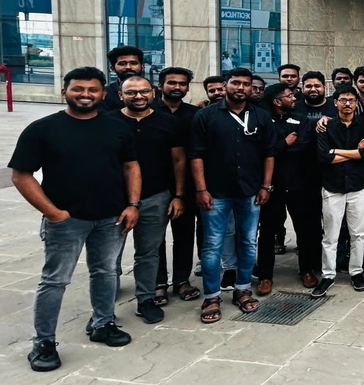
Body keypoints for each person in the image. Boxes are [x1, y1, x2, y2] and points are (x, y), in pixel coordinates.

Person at [12, 67, 140, 371]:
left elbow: (131, 166)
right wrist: (53, 213)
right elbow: (21, 175)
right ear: (64, 92)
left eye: (92, 89)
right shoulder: (42, 129)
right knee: (55, 280)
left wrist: (133, 204)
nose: (85, 94)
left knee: (106, 272)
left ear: (103, 94)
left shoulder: (117, 127)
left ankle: (102, 323)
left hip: (111, 217)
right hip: (66, 220)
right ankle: (43, 342)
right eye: (78, 89)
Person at [190, 67, 276, 323]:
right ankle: (212, 296)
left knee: (248, 242)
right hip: (215, 192)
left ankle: (242, 289)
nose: (241, 88)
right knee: (212, 245)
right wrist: (201, 189)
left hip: (250, 191)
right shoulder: (205, 116)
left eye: (246, 84)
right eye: (235, 83)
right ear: (225, 84)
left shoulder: (261, 116)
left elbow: (269, 154)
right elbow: (196, 155)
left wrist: (266, 186)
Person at [112, 75, 186, 323]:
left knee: (148, 252)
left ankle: (146, 299)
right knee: (109, 255)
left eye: (144, 91)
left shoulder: (168, 122)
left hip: (155, 197)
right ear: (121, 95)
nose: (139, 96)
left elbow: (179, 160)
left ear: (153, 93)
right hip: (115, 200)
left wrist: (178, 195)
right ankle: (104, 306)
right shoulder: (108, 121)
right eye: (131, 92)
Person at [312, 85, 364, 297]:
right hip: (333, 187)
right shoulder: (326, 126)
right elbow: (324, 157)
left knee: (358, 233)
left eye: (351, 100)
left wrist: (336, 151)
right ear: (335, 102)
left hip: (358, 186)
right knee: (331, 234)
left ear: (356, 103)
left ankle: (356, 272)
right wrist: (355, 151)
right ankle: (328, 275)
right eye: (343, 100)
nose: (347, 104)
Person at [256, 82, 309, 296]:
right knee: (267, 232)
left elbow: (303, 147)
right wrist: (284, 143)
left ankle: (306, 270)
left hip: (298, 184)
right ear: (277, 101)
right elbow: (262, 151)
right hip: (271, 186)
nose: (294, 98)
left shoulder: (301, 119)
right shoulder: (263, 120)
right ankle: (265, 276)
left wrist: (277, 148)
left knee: (304, 230)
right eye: (289, 96)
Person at [154, 66, 199, 304]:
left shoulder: (195, 114)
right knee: (154, 237)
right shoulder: (148, 111)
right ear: (160, 85)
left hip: (187, 185)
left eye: (182, 83)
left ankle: (182, 280)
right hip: (154, 184)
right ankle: (158, 283)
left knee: (184, 235)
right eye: (172, 83)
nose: (177, 87)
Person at [290, 71, 330, 286]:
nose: (313, 89)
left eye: (317, 86)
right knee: (308, 222)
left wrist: (331, 120)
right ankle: (308, 265)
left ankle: (333, 260)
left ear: (324, 87)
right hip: (302, 173)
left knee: (333, 221)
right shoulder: (294, 107)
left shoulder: (334, 107)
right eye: (309, 86)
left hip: (331, 171)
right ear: (302, 88)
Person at [100, 44, 145, 111]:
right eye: (122, 64)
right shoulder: (104, 94)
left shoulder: (157, 93)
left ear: (142, 66)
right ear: (112, 68)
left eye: (133, 63)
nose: (128, 67)